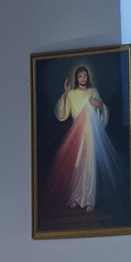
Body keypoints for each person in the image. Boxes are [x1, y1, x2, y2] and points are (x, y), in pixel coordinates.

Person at [51, 65, 114, 213]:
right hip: (76, 133)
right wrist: (65, 94)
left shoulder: (93, 91)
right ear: (76, 78)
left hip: (91, 132)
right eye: (80, 76)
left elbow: (103, 112)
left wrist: (99, 104)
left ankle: (89, 200)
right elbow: (63, 114)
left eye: (85, 76)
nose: (83, 78)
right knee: (77, 164)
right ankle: (74, 197)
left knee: (89, 165)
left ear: (88, 77)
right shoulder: (72, 94)